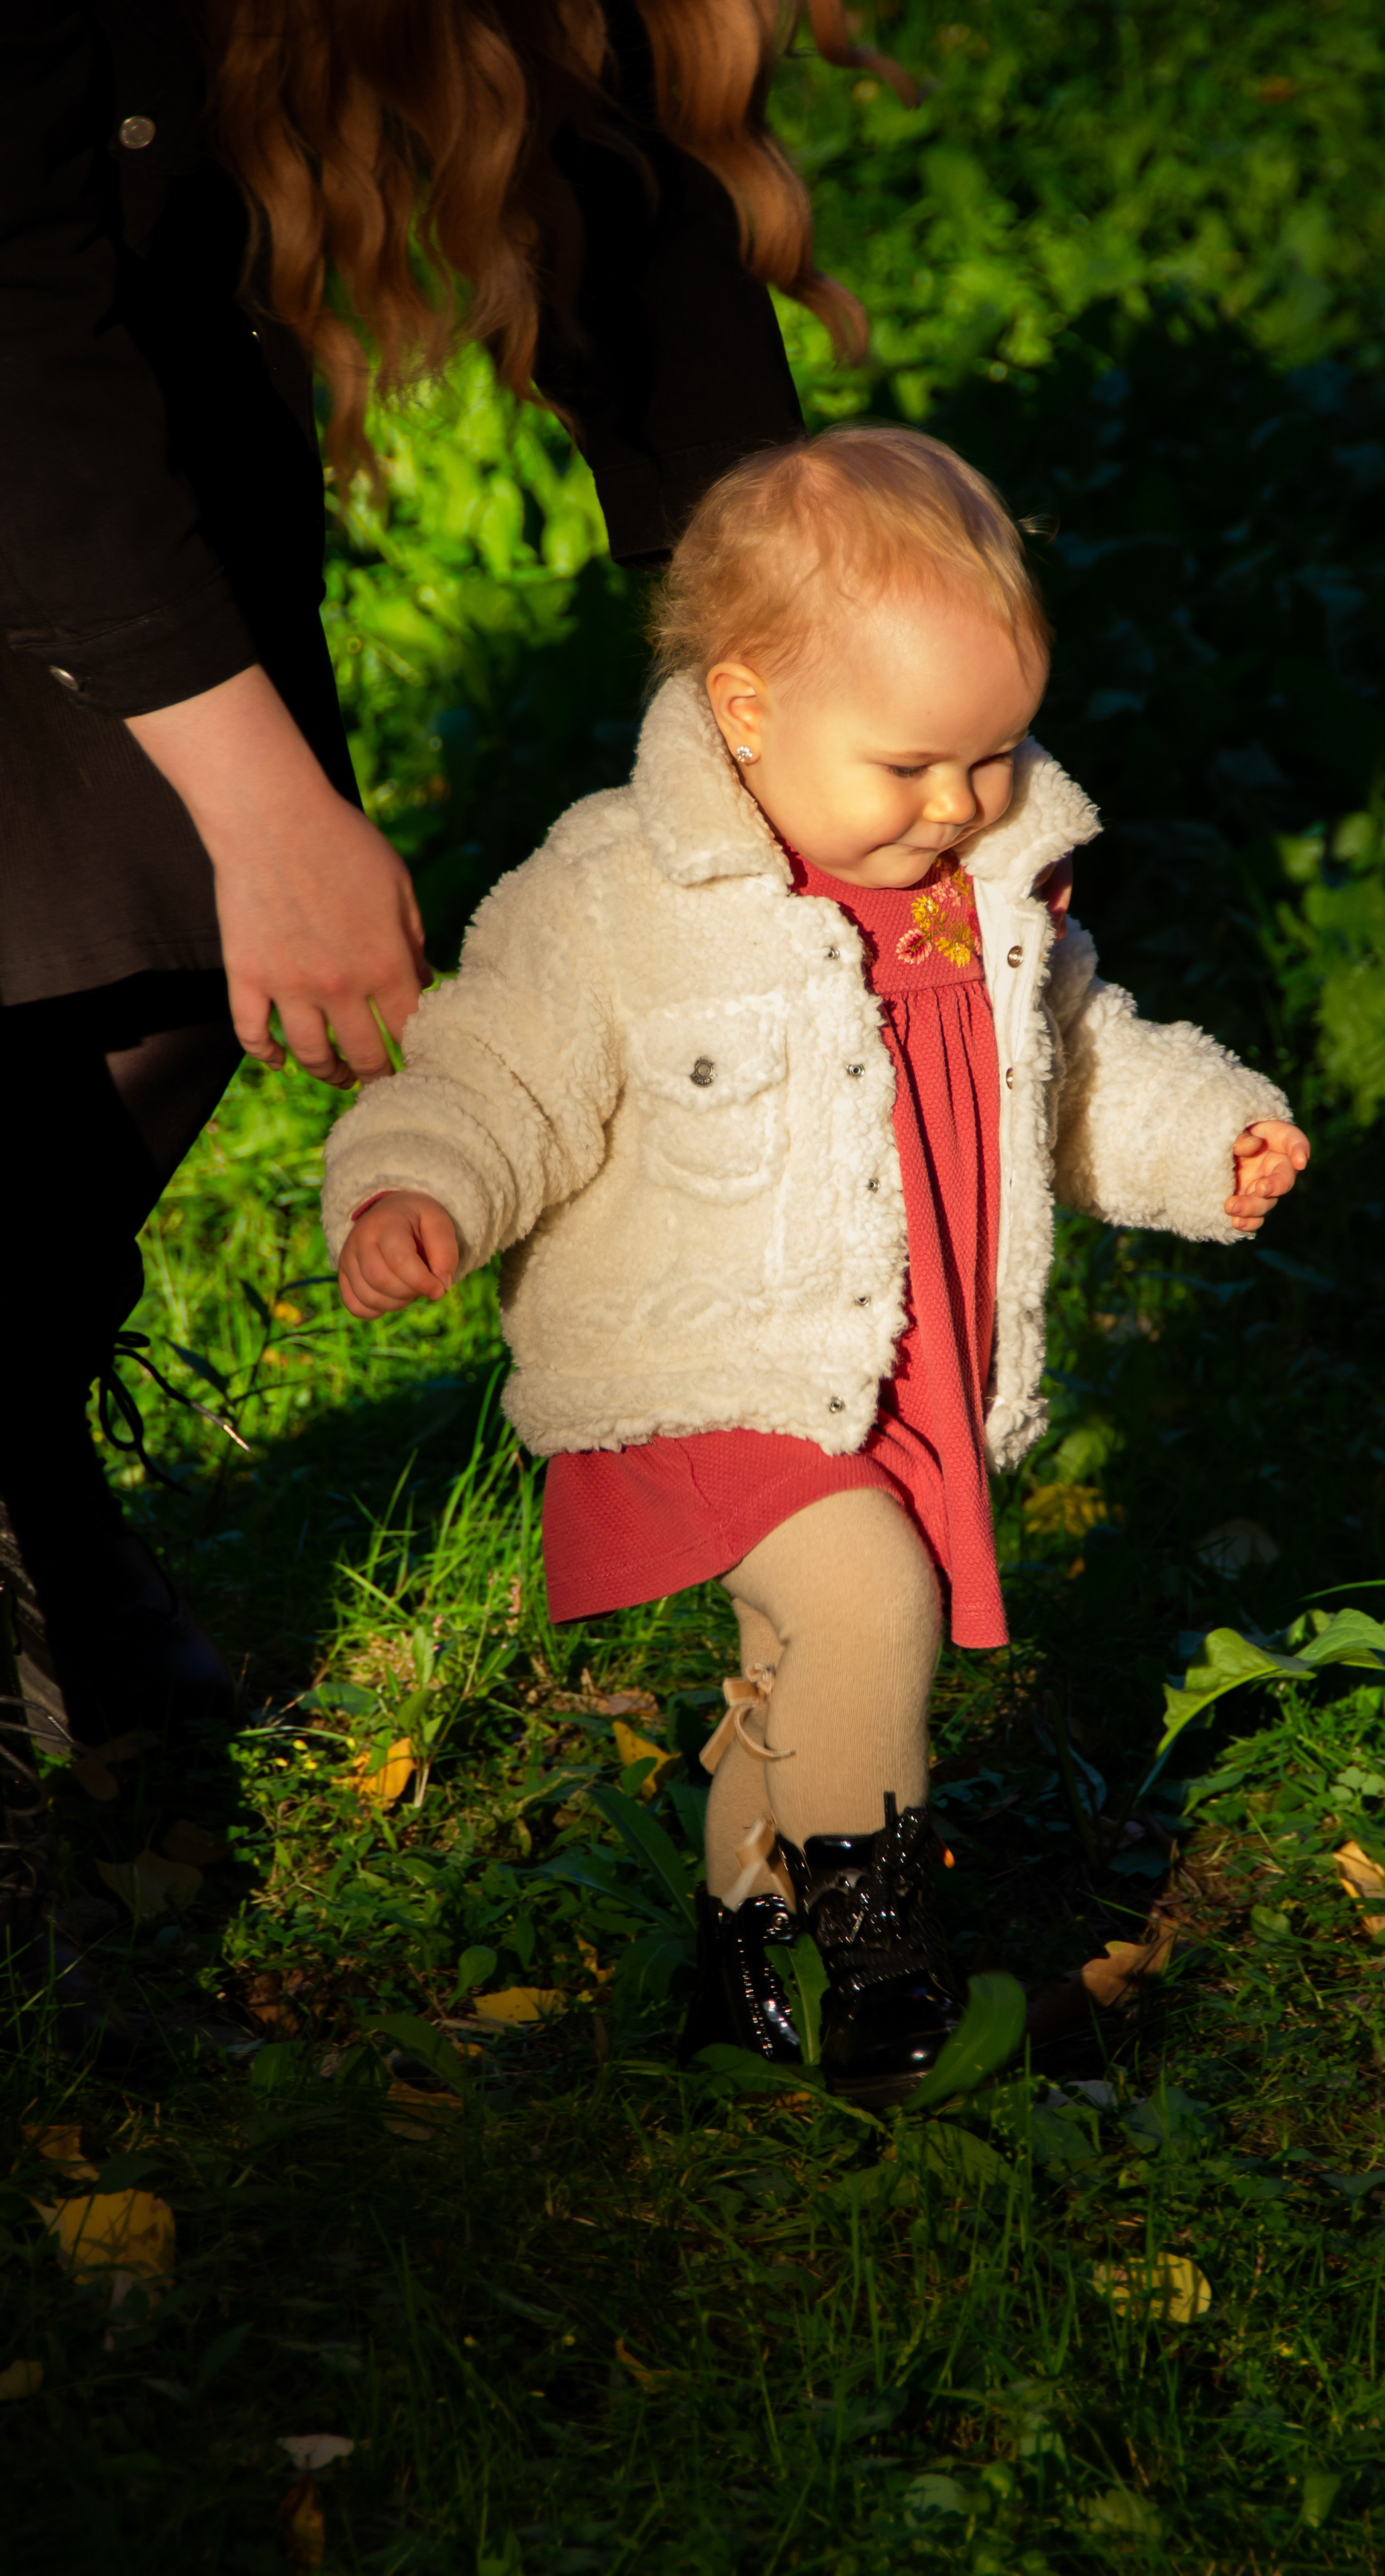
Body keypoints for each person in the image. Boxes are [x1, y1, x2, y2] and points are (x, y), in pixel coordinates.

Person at [0, 0, 869, 1955]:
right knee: (154, 877)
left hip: (148, 412)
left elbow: (650, 247)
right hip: (28, 360)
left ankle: (24, 1438)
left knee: (138, 993)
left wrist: (813, 733)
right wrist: (266, 809)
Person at [324, 425, 1311, 2103]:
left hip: (898, 1366)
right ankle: (883, 1980)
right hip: (702, 1355)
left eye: (994, 757)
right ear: (746, 708)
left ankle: (741, 1980)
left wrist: (1202, 1134)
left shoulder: (981, 891)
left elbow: (1073, 1068)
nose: (958, 804)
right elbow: (497, 1069)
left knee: (794, 1677)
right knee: (864, 1600)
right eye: (913, 764)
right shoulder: (624, 896)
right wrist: (419, 1185)